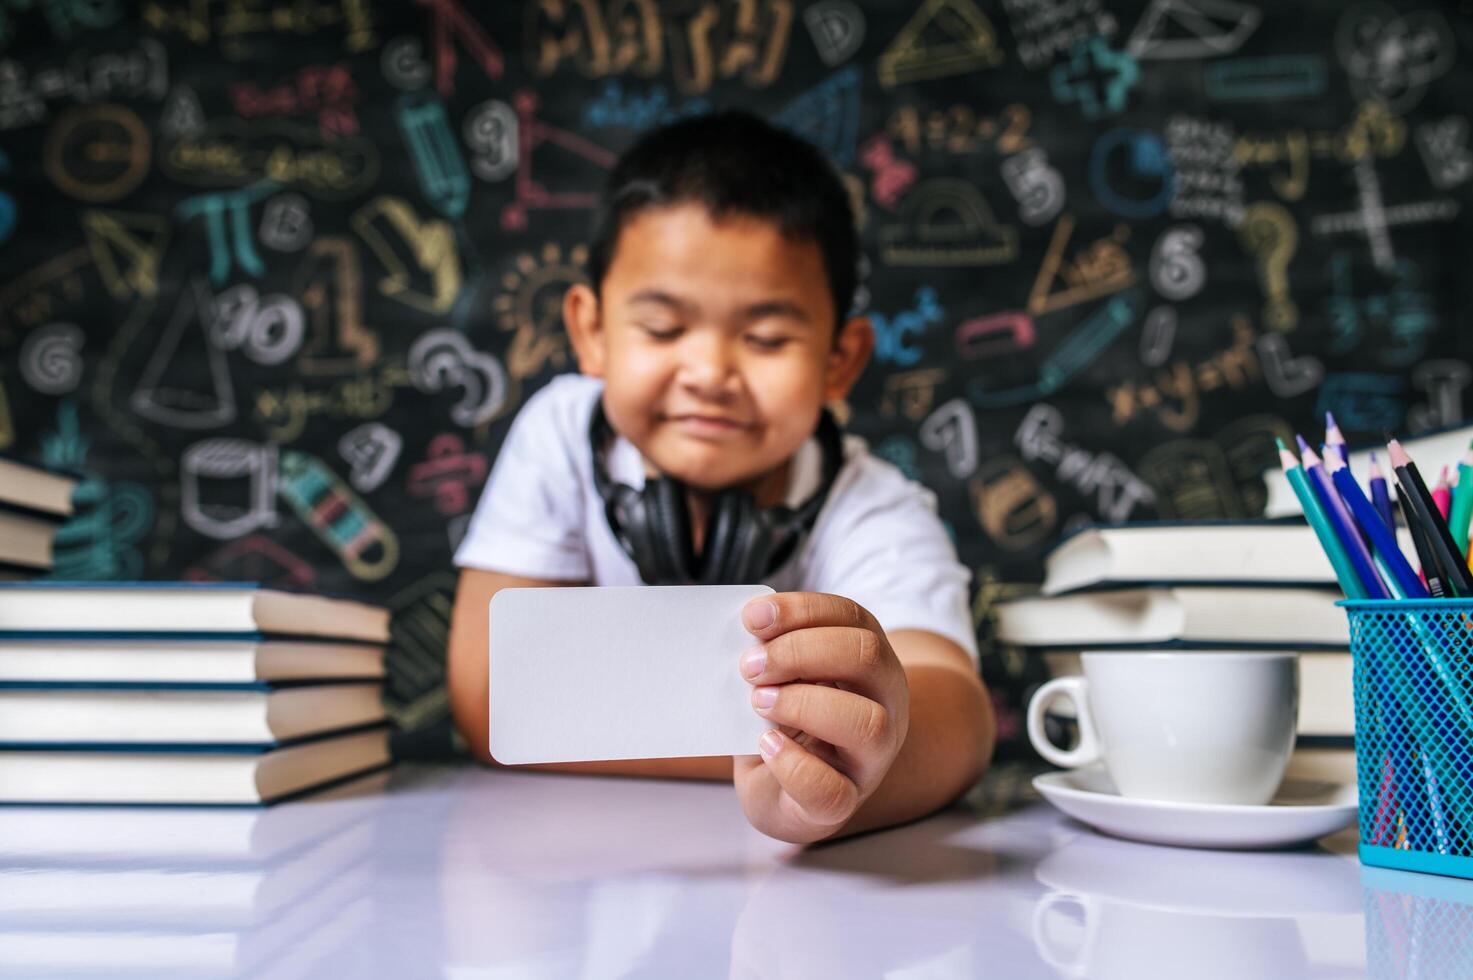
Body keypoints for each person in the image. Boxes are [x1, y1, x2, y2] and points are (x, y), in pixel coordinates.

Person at [448, 110, 994, 844]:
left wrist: (863, 764)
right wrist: (780, 745)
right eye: (663, 329)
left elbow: (955, 714)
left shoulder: (874, 508)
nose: (708, 374)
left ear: (840, 360)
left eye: (766, 338)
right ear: (590, 332)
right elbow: (493, 697)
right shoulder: (559, 435)